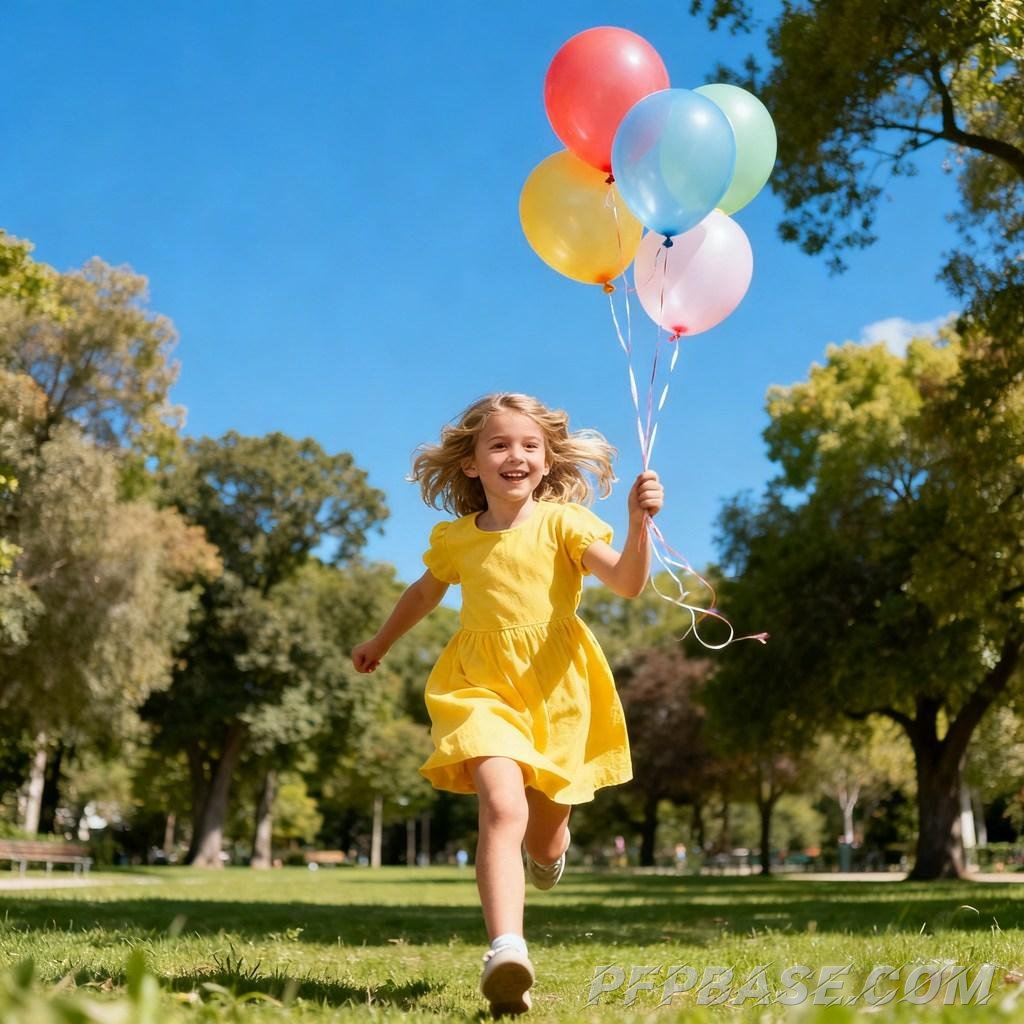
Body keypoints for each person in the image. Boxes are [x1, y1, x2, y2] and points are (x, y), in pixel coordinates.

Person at [351, 393, 663, 1017]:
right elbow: (422, 592)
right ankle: (506, 950)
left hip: (557, 692)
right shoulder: (457, 539)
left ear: (547, 461)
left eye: (528, 445)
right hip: (479, 687)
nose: (514, 455)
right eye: (498, 444)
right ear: (471, 463)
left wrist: (638, 524)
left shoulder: (565, 524)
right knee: (500, 802)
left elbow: (628, 584)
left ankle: (550, 855)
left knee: (545, 839)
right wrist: (380, 641)